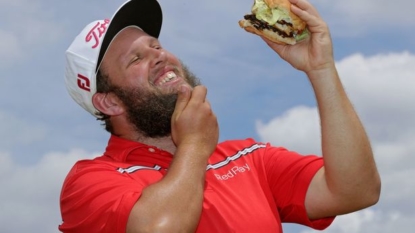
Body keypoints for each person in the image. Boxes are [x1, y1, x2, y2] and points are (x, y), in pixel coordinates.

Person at [60, 0, 381, 232]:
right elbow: (158, 228)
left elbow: (356, 191)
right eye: (136, 59)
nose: (160, 57)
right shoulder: (90, 182)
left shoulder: (249, 158)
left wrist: (321, 69)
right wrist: (195, 146)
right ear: (110, 102)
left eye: (156, 46)